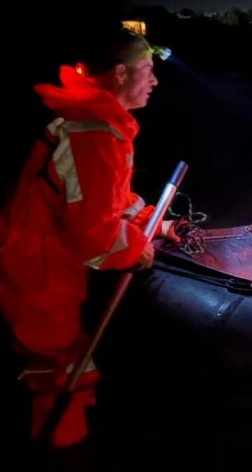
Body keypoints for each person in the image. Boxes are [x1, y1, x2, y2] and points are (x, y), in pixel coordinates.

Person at [0, 28, 177, 448]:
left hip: (43, 260)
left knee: (66, 366)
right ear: (120, 73)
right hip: (38, 270)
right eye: (147, 70)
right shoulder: (94, 130)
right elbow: (95, 237)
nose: (154, 81)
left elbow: (107, 196)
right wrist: (139, 248)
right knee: (58, 373)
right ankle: (60, 449)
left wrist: (156, 221)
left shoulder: (96, 122)